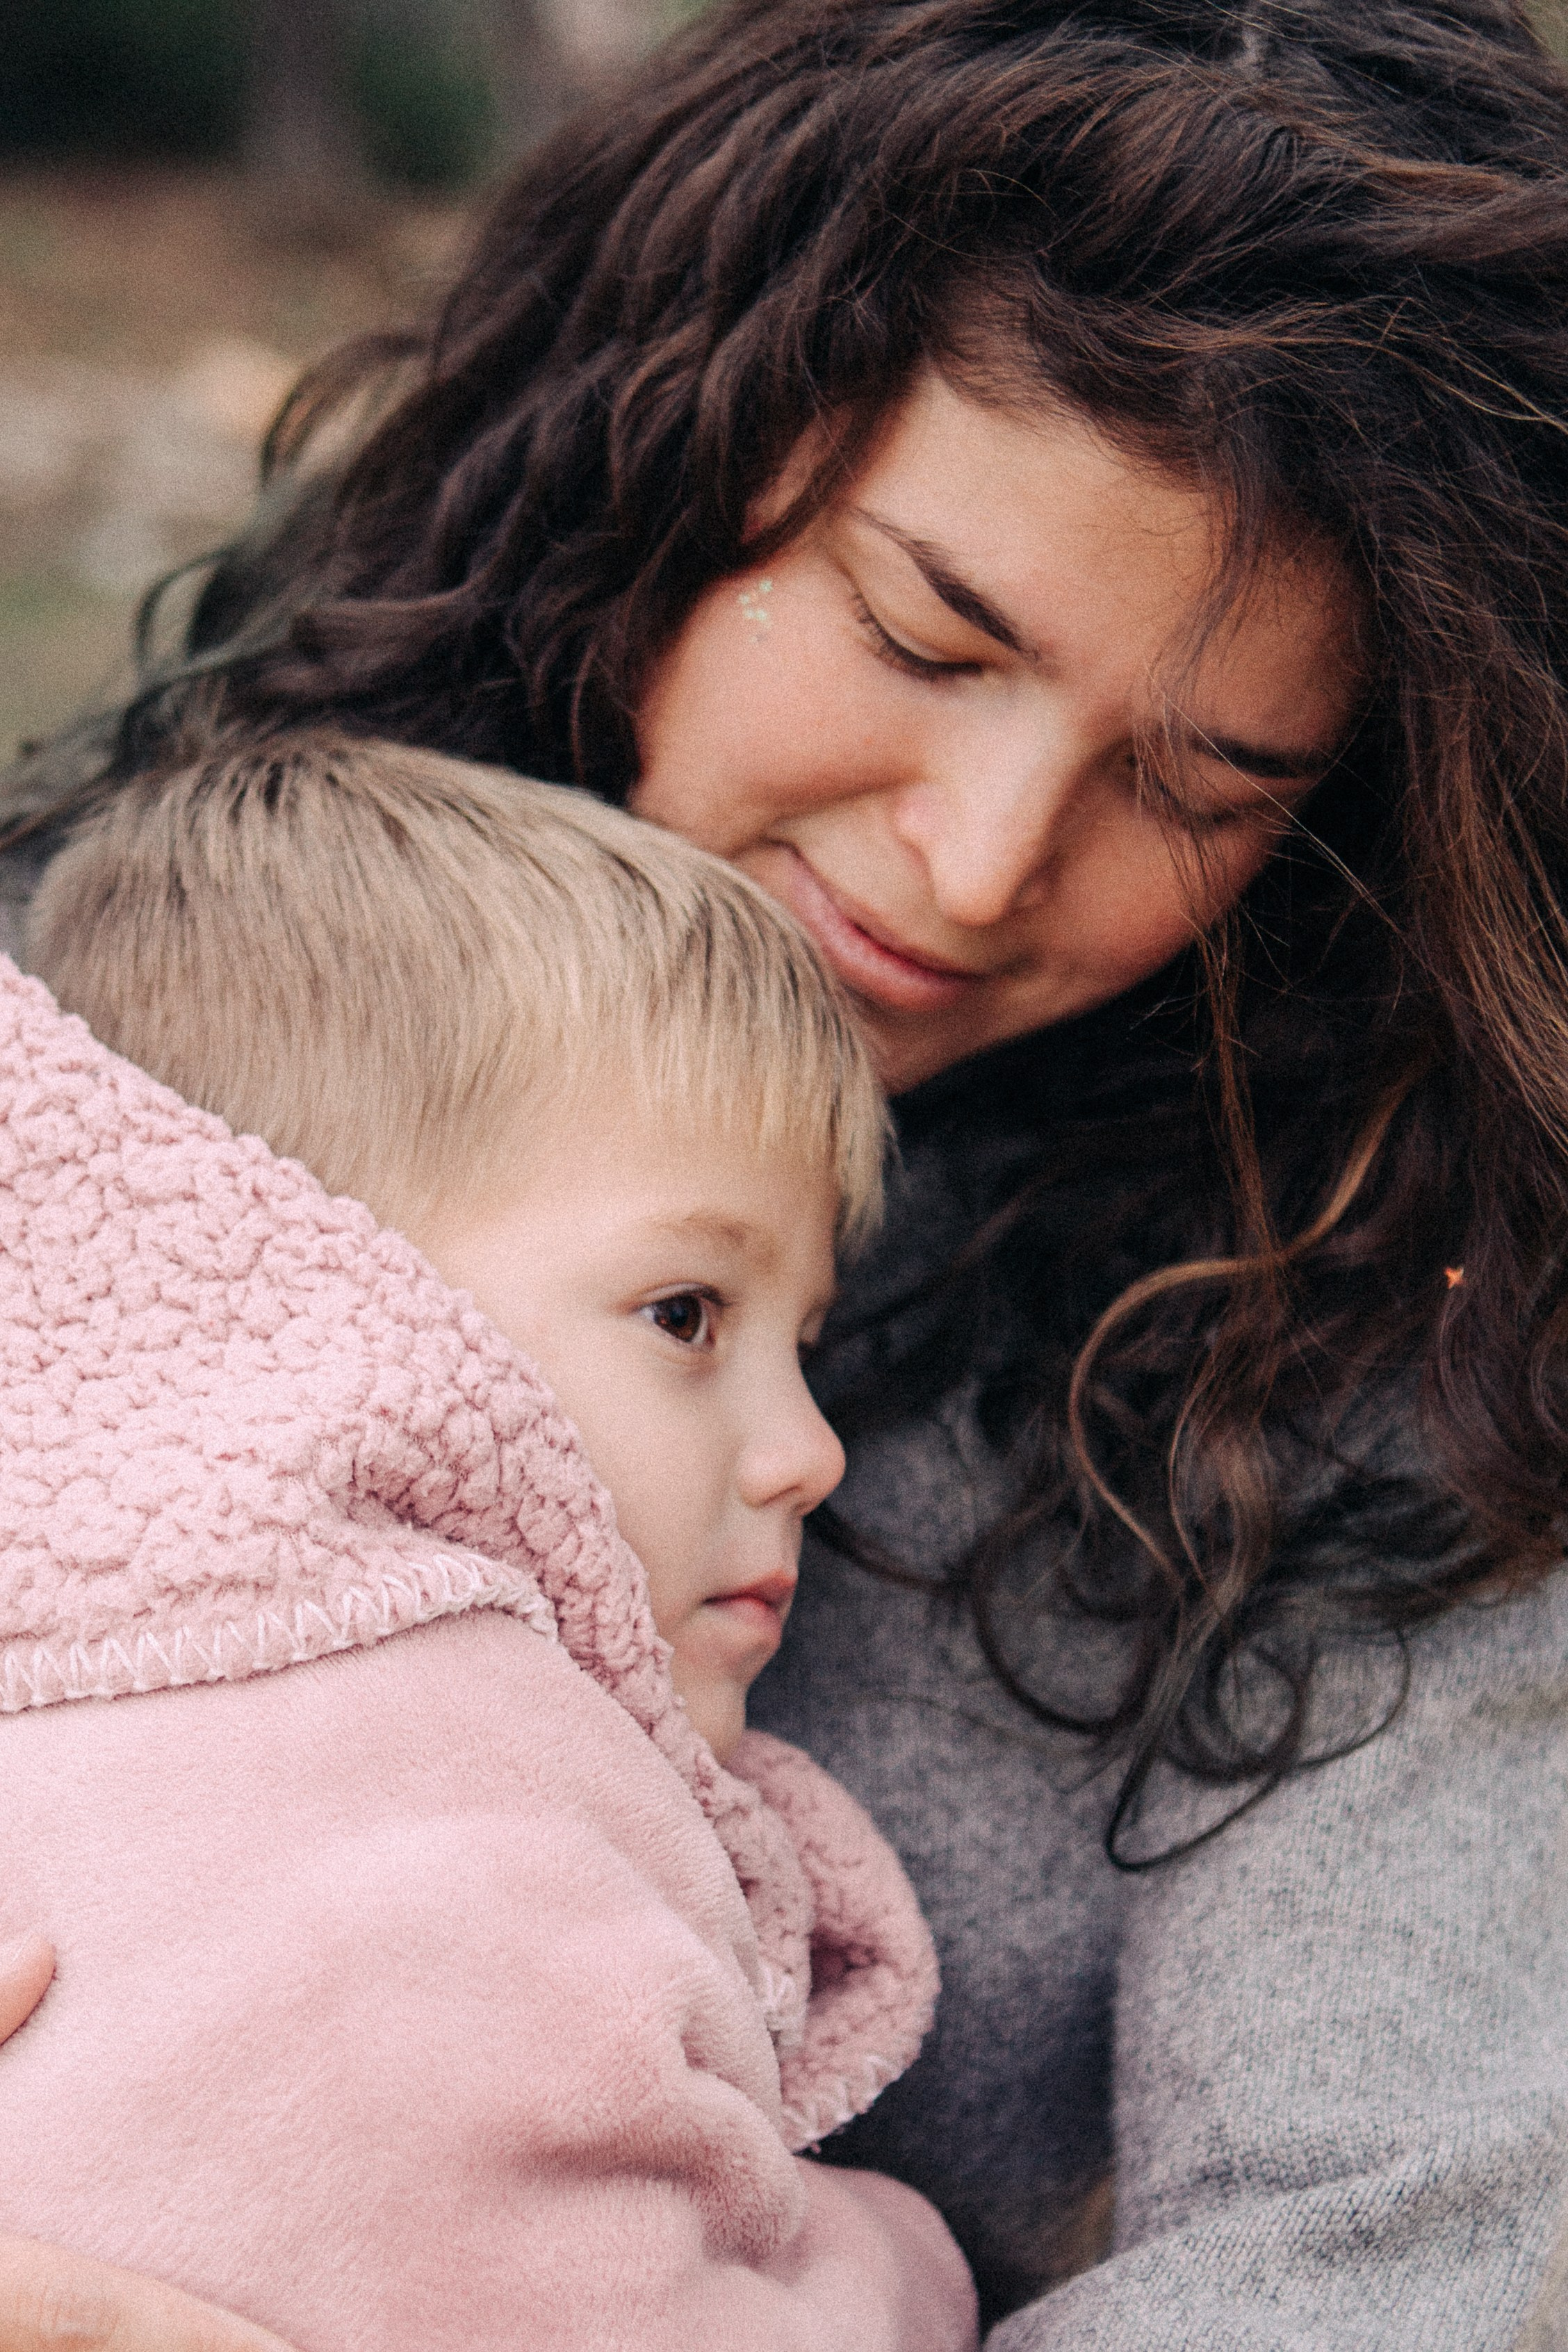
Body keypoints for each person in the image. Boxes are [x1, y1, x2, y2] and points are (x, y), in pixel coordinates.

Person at [1, 0, 1566, 2342]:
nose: (973, 863)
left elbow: (1372, 2258)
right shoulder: (111, 1044)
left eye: (1199, 782)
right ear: (669, 461)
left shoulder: (1378, 1367)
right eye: (921, 634)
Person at [0, 734, 977, 2352]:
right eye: (687, 1314)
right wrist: (903, 2262)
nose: (811, 1453)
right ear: (323, 1289)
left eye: (803, 1338)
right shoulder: (434, 1802)